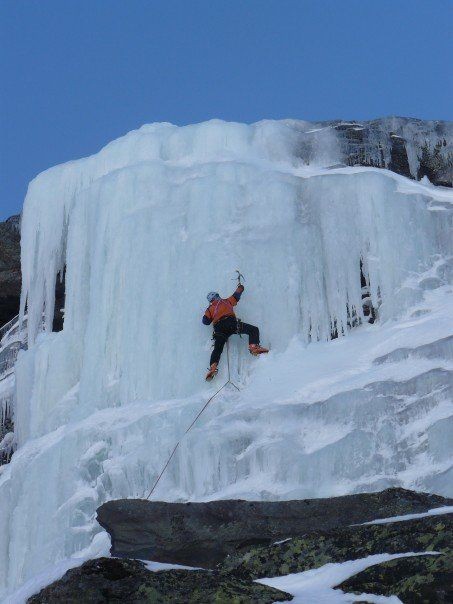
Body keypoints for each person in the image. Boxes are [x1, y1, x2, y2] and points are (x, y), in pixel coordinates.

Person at [202, 284, 268, 381]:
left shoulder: (210, 309)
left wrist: (209, 312)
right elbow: (236, 295)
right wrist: (240, 288)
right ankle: (254, 347)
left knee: (217, 349)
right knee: (253, 330)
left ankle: (213, 367)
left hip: (219, 329)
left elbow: (205, 322)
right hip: (232, 324)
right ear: (217, 296)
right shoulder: (226, 301)